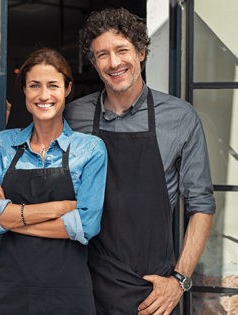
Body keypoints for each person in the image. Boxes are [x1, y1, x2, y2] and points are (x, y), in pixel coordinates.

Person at [64, 7, 215, 315]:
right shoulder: (73, 115)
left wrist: (179, 280)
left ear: (142, 51)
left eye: (122, 50)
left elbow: (202, 205)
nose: (114, 62)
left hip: (150, 291)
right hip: (83, 282)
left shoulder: (180, 117)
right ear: (93, 63)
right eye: (102, 54)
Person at [0, 47, 107, 315]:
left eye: (53, 85)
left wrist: (9, 217)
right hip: (12, 290)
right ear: (24, 91)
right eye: (34, 85)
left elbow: (85, 226)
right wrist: (57, 209)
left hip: (69, 293)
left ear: (67, 89)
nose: (44, 95)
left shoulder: (90, 149)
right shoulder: (4, 144)